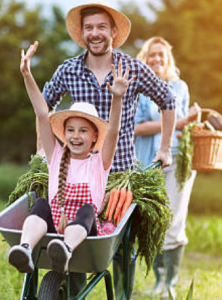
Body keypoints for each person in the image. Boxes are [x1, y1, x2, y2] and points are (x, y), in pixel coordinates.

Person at [41, 4, 177, 299]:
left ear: (113, 31)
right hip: (77, 174)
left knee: (120, 250)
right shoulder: (69, 70)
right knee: (71, 240)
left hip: (119, 178)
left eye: (101, 27)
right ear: (82, 33)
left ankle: (122, 296)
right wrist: (43, 149)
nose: (95, 33)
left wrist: (165, 149)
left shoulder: (133, 69)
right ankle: (71, 292)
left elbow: (168, 99)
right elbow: (44, 104)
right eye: (89, 28)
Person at [8, 41, 135, 277]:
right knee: (41, 205)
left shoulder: (99, 163)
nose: (76, 136)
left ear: (95, 136)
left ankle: (64, 250)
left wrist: (117, 98)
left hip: (84, 233)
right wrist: (27, 75)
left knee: (87, 209)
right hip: (54, 226)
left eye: (83, 130)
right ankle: (25, 249)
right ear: (64, 134)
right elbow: (41, 113)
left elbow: (115, 131)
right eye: (71, 130)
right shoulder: (56, 155)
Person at [134, 37, 199, 299]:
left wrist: (192, 124)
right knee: (152, 223)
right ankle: (158, 280)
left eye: (161, 55)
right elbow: (137, 127)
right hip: (147, 163)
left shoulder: (179, 86)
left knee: (174, 223)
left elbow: (182, 130)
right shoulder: (138, 88)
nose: (157, 59)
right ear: (145, 58)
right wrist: (178, 120)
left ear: (168, 58)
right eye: (152, 55)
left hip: (176, 162)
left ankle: (169, 284)